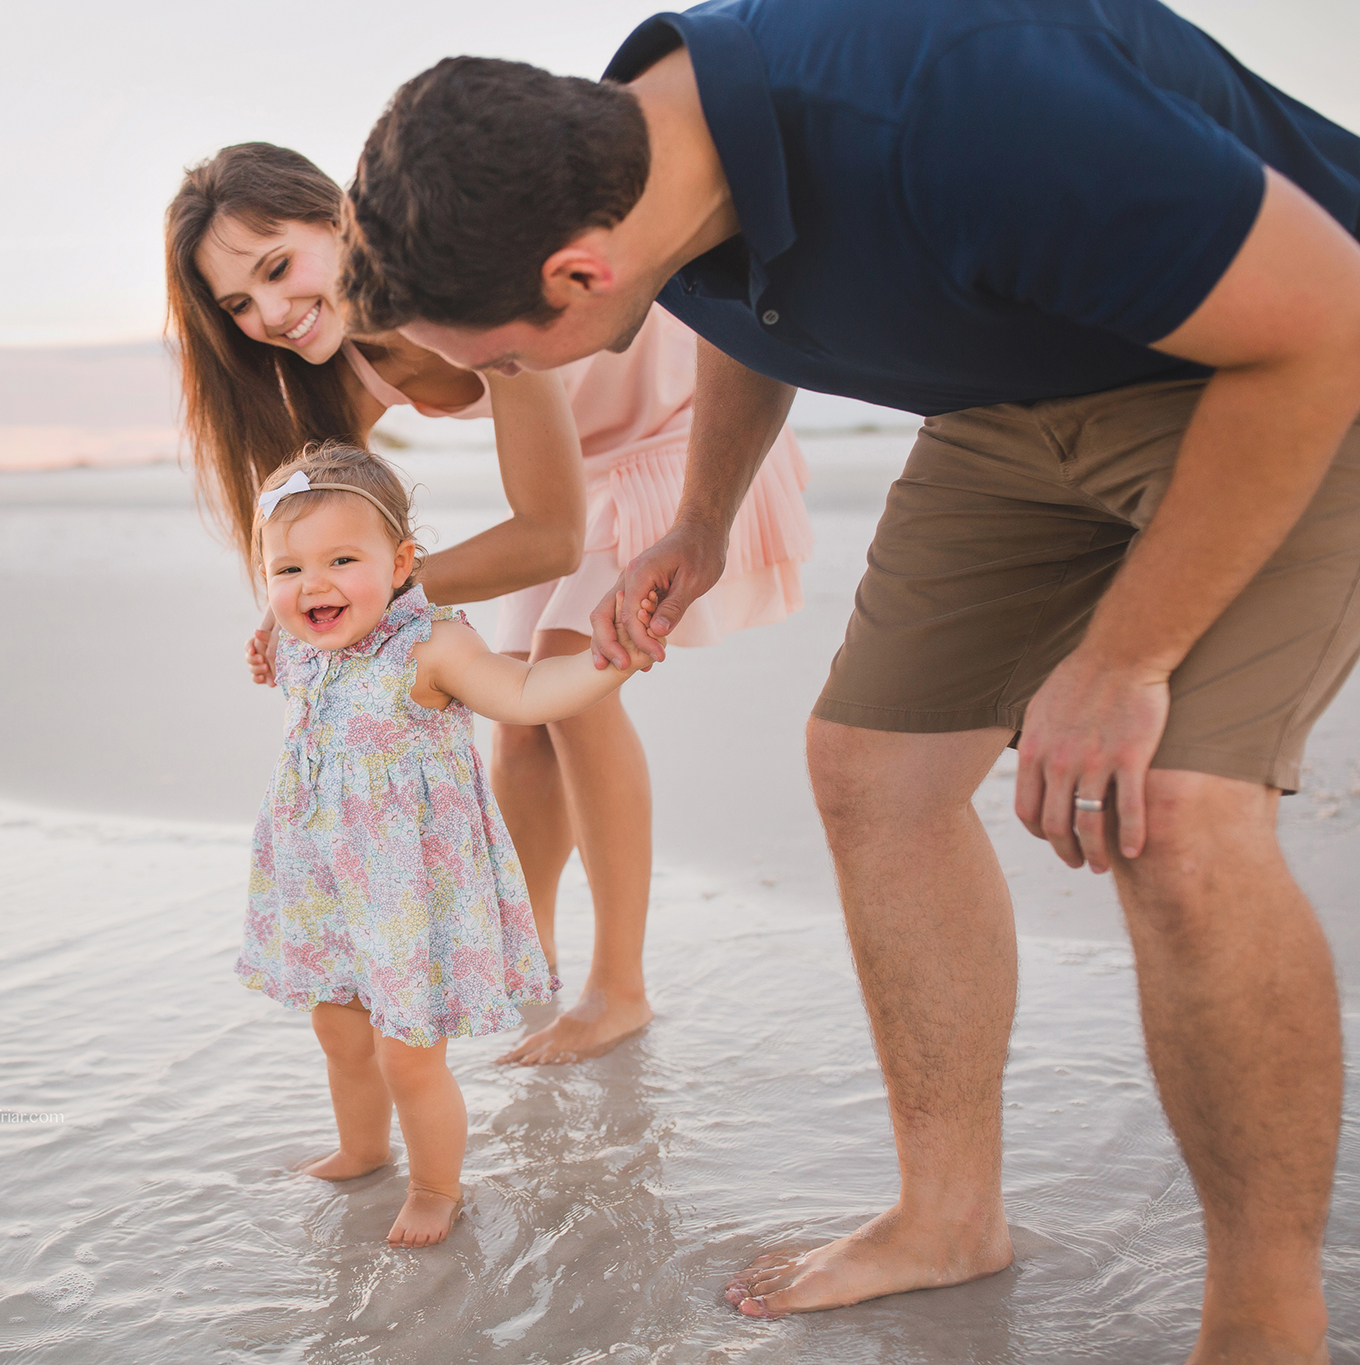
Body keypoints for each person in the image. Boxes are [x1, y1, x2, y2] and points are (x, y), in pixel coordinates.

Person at [340, 0, 1360, 1358]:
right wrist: (701, 520)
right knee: (872, 771)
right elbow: (742, 304)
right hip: (1010, 402)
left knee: (1172, 813)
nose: (505, 387)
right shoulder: (629, 158)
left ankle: (1264, 1313)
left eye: (503, 362)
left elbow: (1325, 321)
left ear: (581, 276)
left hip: (1282, 367)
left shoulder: (967, 107)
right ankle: (948, 1216)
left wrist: (1123, 661)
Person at [166, 142, 811, 1065]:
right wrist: (292, 607)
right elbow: (318, 528)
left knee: (570, 692)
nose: (269, 312)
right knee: (512, 722)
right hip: (588, 474)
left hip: (686, 438)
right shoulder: (347, 367)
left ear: (341, 215)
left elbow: (546, 537)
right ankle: (533, 958)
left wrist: (388, 589)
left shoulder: (465, 288)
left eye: (277, 267)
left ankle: (619, 987)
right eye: (238, 304)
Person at [235, 442, 638, 1245]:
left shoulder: (431, 647)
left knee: (409, 1055)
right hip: (326, 886)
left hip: (408, 894)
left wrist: (606, 665)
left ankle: (435, 1185)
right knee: (338, 1031)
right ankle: (361, 1146)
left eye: (342, 559)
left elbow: (525, 694)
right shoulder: (298, 645)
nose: (312, 584)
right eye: (287, 570)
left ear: (401, 563)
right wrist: (270, 637)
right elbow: (291, 668)